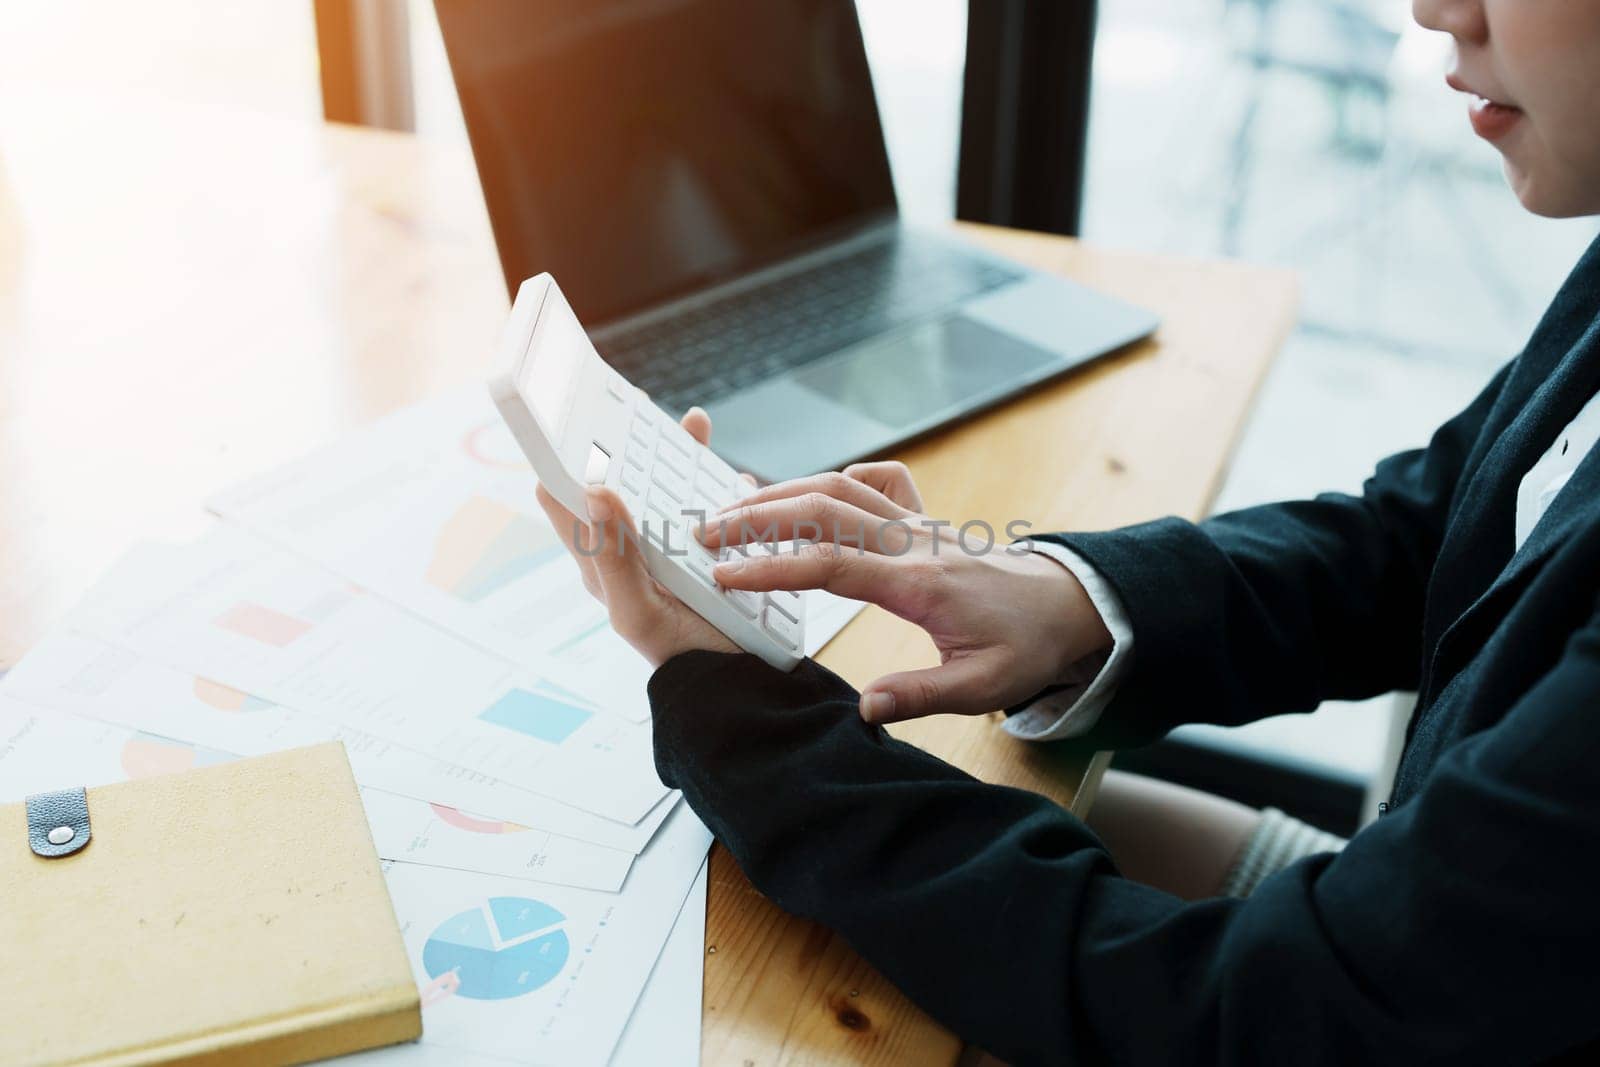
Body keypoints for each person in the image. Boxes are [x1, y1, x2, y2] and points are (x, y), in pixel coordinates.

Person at [538, 1, 1600, 1061]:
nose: (1434, 10)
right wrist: (1070, 599)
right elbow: (1432, 533)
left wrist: (744, 725)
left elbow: (1268, 1011)